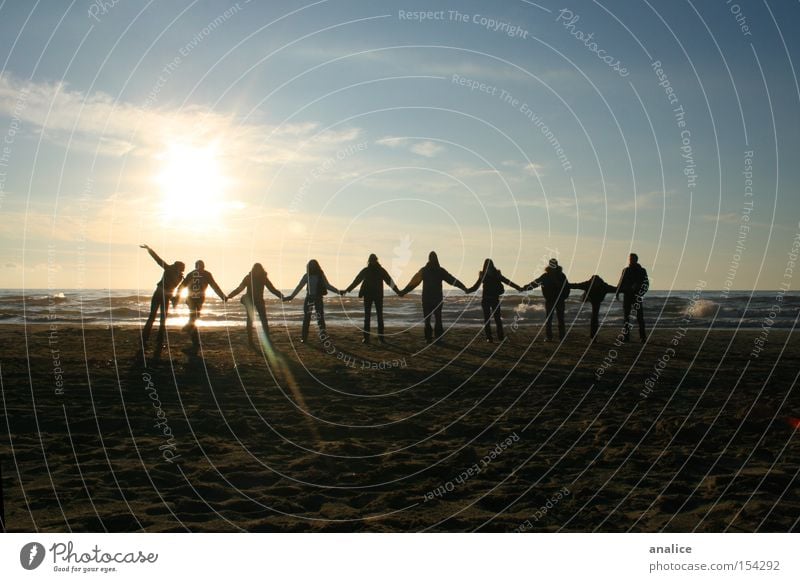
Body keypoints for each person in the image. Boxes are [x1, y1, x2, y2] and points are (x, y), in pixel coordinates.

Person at [400, 251, 468, 344]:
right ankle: (438, 338)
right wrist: (463, 287)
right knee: (437, 318)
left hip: (428, 298)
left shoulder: (425, 270)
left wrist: (404, 291)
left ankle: (429, 338)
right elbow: (451, 280)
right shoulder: (439, 270)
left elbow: (414, 283)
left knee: (429, 319)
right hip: (436, 298)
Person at [342, 254, 402, 344]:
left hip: (373, 295)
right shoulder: (378, 270)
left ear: (372, 261)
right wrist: (347, 290)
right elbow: (357, 281)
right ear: (372, 261)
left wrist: (397, 291)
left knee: (375, 317)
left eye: (373, 260)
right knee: (372, 317)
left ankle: (375, 338)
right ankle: (371, 338)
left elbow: (389, 281)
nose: (373, 262)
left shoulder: (370, 270)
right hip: (372, 296)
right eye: (372, 260)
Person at [284, 260, 341, 343]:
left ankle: (323, 338)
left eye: (314, 265)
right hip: (309, 298)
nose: (312, 266)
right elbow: (299, 286)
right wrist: (292, 296)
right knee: (307, 318)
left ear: (317, 266)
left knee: (320, 318)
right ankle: (304, 337)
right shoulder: (306, 276)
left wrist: (338, 291)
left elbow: (327, 285)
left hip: (318, 298)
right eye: (311, 265)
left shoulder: (320, 275)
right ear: (308, 266)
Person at [227, 263, 284, 346]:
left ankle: (267, 340)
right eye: (256, 270)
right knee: (251, 320)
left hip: (259, 301)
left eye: (258, 270)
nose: (257, 271)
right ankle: (250, 341)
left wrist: (281, 296)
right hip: (250, 301)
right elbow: (240, 288)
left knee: (263, 320)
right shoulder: (249, 278)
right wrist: (230, 296)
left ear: (261, 270)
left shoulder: (263, 278)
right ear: (254, 270)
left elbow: (272, 289)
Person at [465, 259, 522, 342]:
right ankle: (489, 338)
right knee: (488, 319)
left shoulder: (496, 275)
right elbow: (476, 286)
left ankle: (500, 337)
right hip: (487, 300)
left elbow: (507, 282)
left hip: (494, 299)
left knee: (497, 319)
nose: (488, 267)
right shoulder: (484, 275)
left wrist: (518, 287)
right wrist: (467, 290)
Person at [174, 260, 226, 349]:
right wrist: (176, 298)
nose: (201, 269)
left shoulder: (193, 274)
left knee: (194, 318)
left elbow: (182, 286)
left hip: (194, 300)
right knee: (194, 318)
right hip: (194, 300)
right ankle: (195, 342)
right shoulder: (204, 274)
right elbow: (214, 286)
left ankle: (190, 332)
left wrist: (222, 296)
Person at [139, 244, 184, 345]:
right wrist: (149, 249)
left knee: (154, 317)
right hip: (164, 295)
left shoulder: (171, 270)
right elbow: (157, 259)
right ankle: (155, 340)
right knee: (160, 318)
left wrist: (149, 249)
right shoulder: (177, 275)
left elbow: (157, 259)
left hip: (160, 294)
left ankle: (147, 339)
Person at [522, 258, 570, 342]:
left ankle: (560, 337)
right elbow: (535, 283)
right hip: (551, 300)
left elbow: (566, 288)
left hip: (558, 300)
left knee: (559, 319)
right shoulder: (546, 276)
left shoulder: (561, 276)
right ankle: (550, 337)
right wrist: (526, 287)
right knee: (550, 319)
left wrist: (563, 297)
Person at [569, 275, 616, 341]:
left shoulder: (604, 286)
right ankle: (585, 296)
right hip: (591, 297)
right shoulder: (587, 284)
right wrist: (565, 285)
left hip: (597, 299)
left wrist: (626, 289)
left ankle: (593, 336)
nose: (595, 284)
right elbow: (576, 285)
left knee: (594, 317)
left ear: (599, 282)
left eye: (596, 283)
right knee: (594, 316)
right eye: (594, 283)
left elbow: (616, 289)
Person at [616, 253, 649, 343]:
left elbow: (646, 284)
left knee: (639, 317)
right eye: (630, 259)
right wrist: (617, 293)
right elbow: (621, 282)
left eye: (632, 259)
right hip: (627, 296)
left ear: (636, 260)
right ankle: (626, 337)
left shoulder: (642, 270)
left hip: (637, 296)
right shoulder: (625, 270)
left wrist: (640, 293)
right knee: (626, 317)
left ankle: (643, 337)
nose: (630, 260)